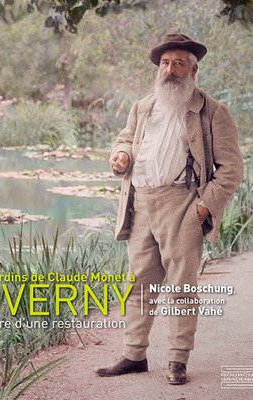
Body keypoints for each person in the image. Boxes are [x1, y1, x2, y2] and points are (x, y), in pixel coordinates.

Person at [95, 33, 243, 384]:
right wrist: (121, 157)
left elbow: (232, 169)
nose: (170, 70)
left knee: (181, 287)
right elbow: (126, 139)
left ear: (193, 70)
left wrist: (205, 207)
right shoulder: (142, 106)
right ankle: (134, 355)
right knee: (138, 285)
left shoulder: (213, 111)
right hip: (142, 202)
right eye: (165, 63)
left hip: (184, 205)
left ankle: (177, 360)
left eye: (178, 63)